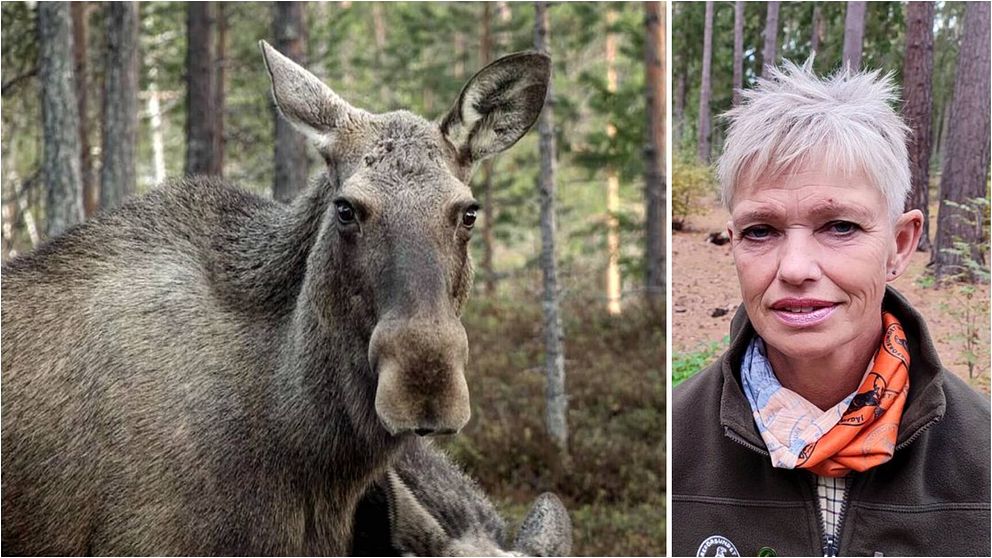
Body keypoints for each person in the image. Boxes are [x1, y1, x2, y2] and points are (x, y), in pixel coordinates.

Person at [672, 61, 990, 557]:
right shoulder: (671, 445)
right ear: (733, 244)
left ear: (899, 245)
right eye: (761, 231)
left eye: (839, 226)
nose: (795, 268)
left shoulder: (983, 458)